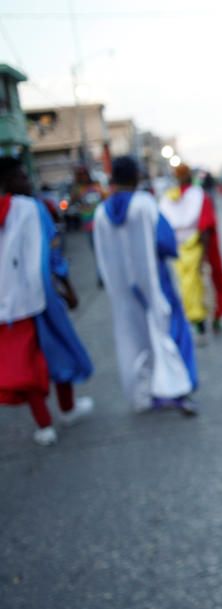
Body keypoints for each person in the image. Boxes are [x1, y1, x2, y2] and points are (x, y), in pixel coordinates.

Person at [93, 156, 198, 415]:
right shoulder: (145, 205)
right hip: (154, 284)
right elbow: (166, 242)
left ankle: (144, 394)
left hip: (122, 292)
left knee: (134, 339)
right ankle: (178, 389)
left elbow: (99, 254)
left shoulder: (100, 214)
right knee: (169, 333)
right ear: (135, 176)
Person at [0, 157, 94, 446]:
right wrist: (66, 286)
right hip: (40, 296)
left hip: (7, 306)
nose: (28, 182)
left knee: (23, 366)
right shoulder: (32, 208)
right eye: (21, 177)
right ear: (8, 181)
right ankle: (66, 409)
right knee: (60, 352)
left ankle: (44, 424)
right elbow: (52, 252)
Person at [159, 164, 222, 340]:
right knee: (205, 284)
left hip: (180, 250)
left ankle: (199, 322)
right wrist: (205, 254)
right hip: (197, 247)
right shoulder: (198, 196)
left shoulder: (169, 199)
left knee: (188, 286)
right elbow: (206, 226)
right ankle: (211, 319)